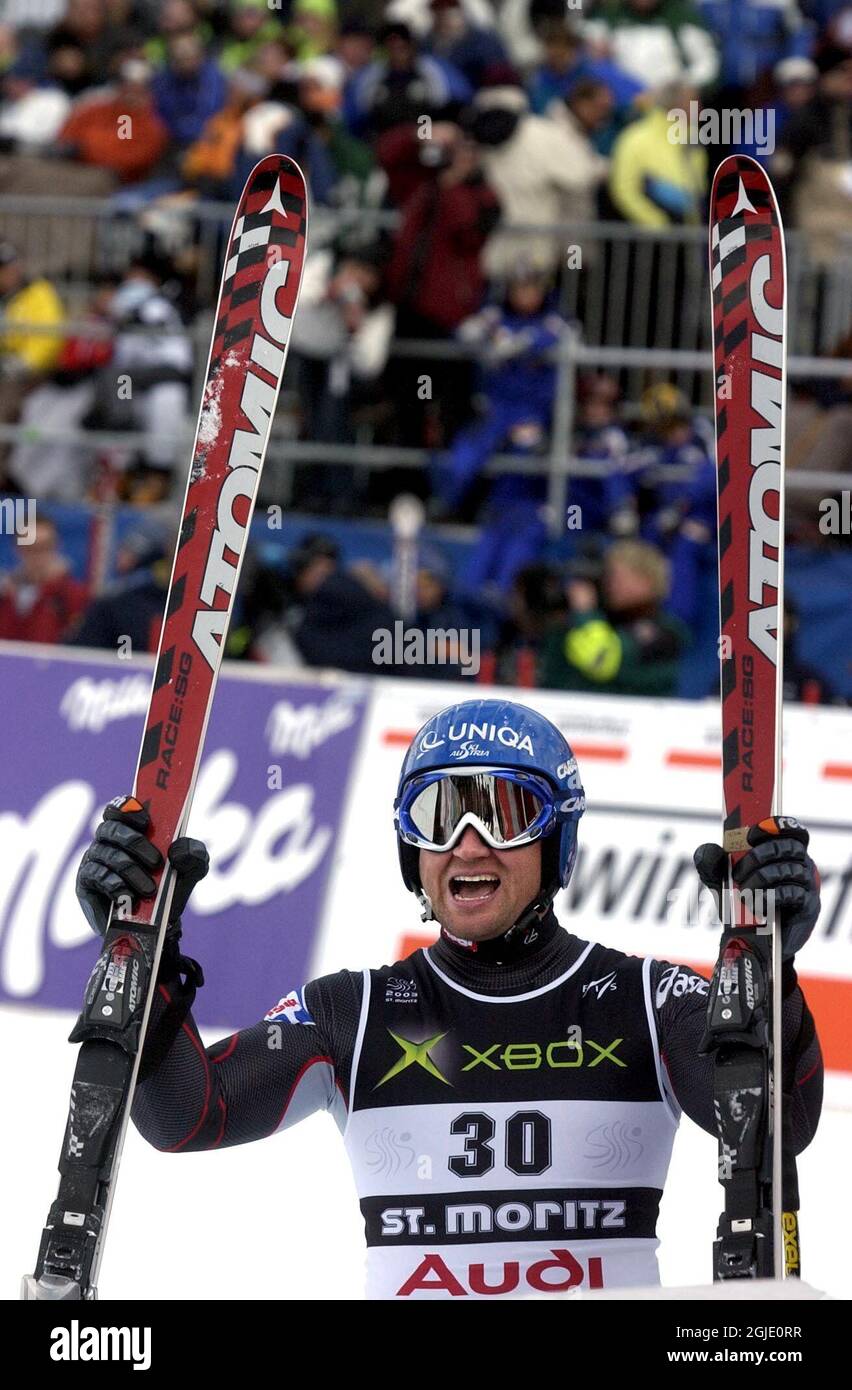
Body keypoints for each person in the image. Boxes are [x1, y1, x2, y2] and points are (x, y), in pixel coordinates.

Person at [75, 697, 823, 1298]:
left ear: (556, 839)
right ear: (412, 849)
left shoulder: (646, 999)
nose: (468, 842)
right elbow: (185, 1117)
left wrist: (771, 970)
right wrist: (143, 957)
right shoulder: (352, 1013)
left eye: (502, 812)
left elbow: (773, 1129)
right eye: (439, 816)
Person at [541, 539, 690, 695]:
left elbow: (599, 659)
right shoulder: (605, 619)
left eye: (616, 577)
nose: (609, 584)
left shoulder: (667, 632)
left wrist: (585, 612)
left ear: (645, 580)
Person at [0, 512, 87, 642]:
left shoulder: (75, 596)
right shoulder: (5, 595)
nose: (38, 556)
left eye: (44, 547)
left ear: (57, 546)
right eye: (30, 548)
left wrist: (52, 588)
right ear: (17, 548)